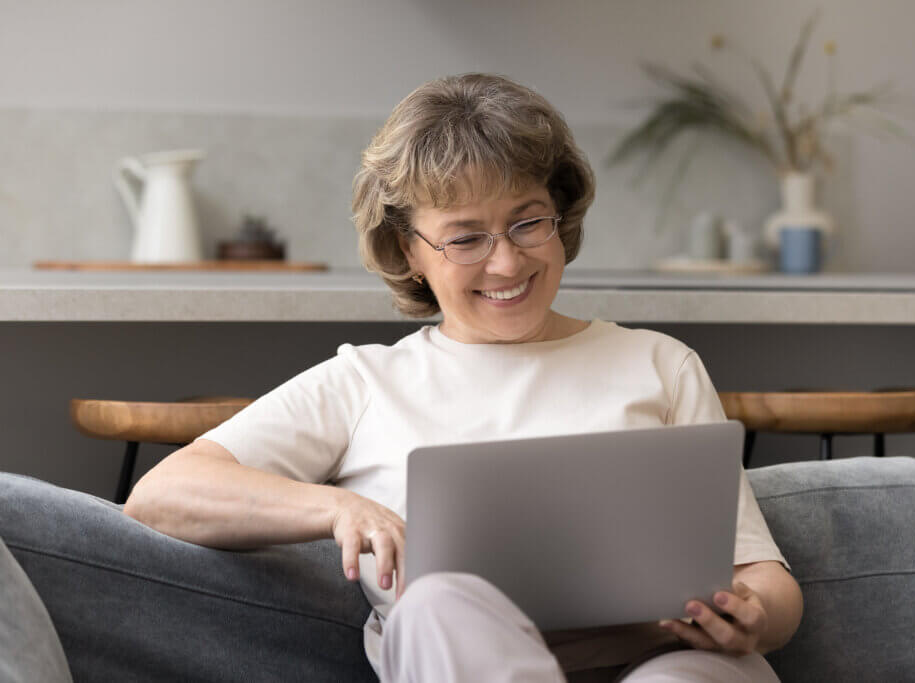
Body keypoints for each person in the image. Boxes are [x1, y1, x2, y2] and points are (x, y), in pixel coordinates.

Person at [123, 73, 802, 682]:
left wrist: (753, 615)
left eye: (528, 222)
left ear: (560, 220)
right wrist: (339, 508)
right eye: (466, 237)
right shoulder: (365, 381)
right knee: (436, 603)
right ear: (407, 251)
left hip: (663, 661)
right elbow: (162, 494)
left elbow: (766, 580)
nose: (506, 263)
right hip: (467, 660)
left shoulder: (659, 363)